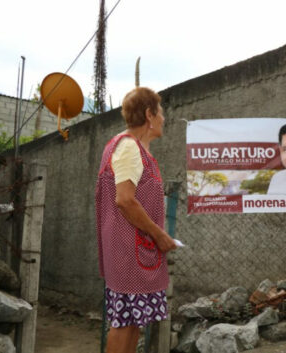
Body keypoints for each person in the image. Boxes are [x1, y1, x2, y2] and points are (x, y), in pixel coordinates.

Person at [95, 87, 177, 353]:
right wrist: (160, 235)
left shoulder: (128, 147)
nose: (164, 118)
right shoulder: (129, 148)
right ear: (149, 115)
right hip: (128, 250)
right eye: (161, 112)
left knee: (131, 322)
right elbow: (125, 200)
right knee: (125, 323)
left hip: (132, 249)